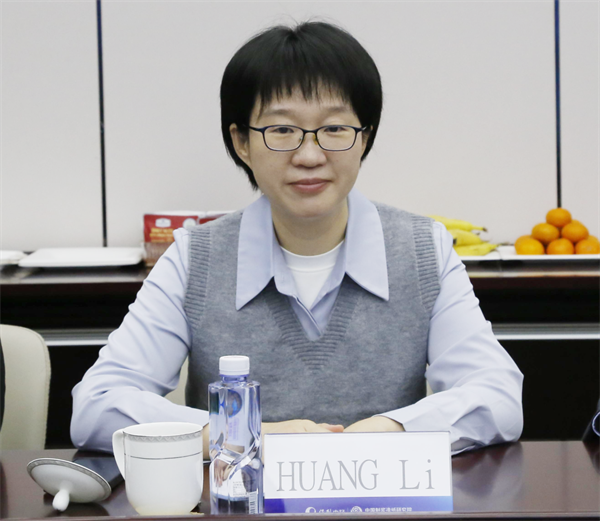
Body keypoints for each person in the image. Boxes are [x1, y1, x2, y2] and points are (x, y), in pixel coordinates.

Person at [71, 21, 523, 456]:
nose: (309, 155)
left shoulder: (421, 250)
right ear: (242, 142)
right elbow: (96, 406)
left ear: (364, 138)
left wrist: (392, 430)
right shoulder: (197, 258)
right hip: (238, 498)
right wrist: (244, 435)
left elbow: (498, 396)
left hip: (382, 497)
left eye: (334, 129)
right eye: (282, 130)